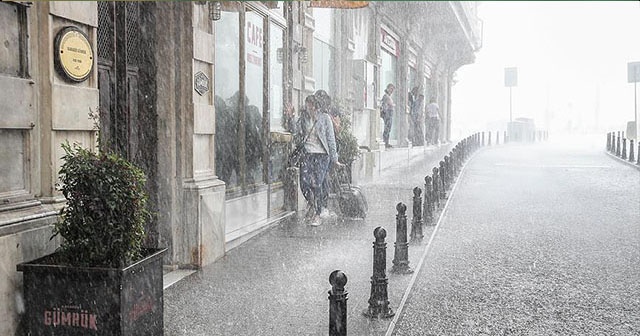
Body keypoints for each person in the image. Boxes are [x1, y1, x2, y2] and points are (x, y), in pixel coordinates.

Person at [284, 95, 343, 226]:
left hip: (322, 156)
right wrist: (291, 117)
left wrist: (335, 159)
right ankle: (312, 203)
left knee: (317, 184)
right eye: (307, 104)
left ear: (315, 106)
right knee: (304, 183)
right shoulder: (304, 118)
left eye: (310, 105)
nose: (308, 107)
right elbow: (295, 132)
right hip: (307, 154)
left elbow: (330, 139)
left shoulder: (325, 118)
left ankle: (317, 214)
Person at [380, 83, 395, 148]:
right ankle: (385, 142)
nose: (392, 91)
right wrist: (385, 114)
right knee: (386, 129)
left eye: (393, 90)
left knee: (388, 129)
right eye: (391, 89)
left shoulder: (388, 96)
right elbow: (384, 106)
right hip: (387, 115)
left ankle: (387, 142)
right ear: (388, 88)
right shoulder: (385, 96)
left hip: (389, 115)